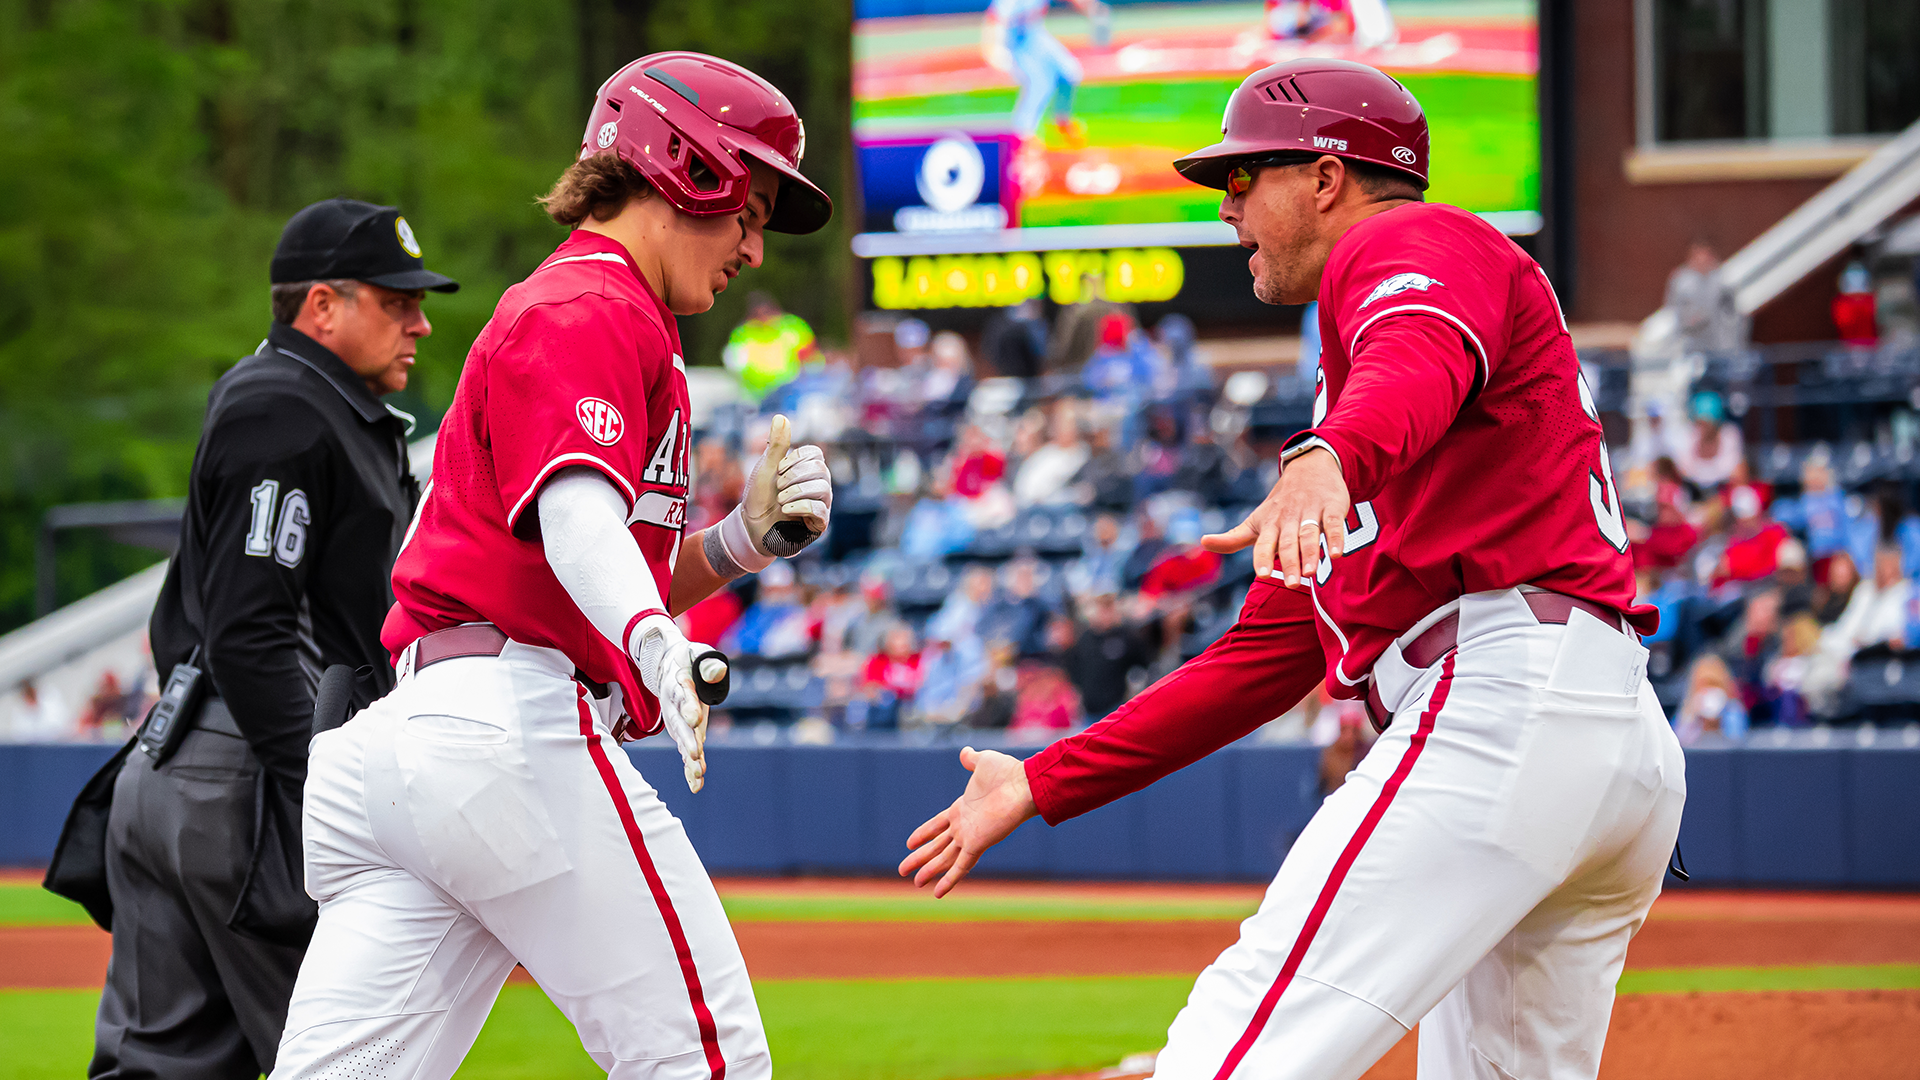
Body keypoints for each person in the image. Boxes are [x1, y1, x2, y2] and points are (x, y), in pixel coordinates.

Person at [898, 58, 1682, 1080]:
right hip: (1587, 731)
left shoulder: (1406, 240)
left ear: (1325, 176)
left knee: (1233, 1052)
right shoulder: (1361, 375)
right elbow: (1264, 655)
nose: (1226, 209)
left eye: (1240, 179)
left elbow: (1416, 347)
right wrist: (1042, 780)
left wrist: (1330, 457)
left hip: (1507, 702)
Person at [269, 53, 834, 1080]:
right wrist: (656, 642)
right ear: (680, 171)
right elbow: (578, 525)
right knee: (706, 1060)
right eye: (746, 208)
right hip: (506, 734)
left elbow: (572, 564)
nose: (755, 245)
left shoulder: (596, 309)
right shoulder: (593, 303)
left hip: (413, 748)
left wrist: (741, 547)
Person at [85, 198, 456, 1079]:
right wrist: (329, 798)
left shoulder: (301, 399)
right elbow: (253, 633)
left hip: (194, 760)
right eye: (395, 300)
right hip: (247, 781)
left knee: (161, 1069)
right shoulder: (286, 406)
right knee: (352, 1057)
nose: (421, 321)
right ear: (321, 306)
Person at [722, 291, 817, 401]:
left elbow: (810, 355)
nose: (765, 319)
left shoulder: (793, 326)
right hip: (755, 394)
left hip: (789, 390)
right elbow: (734, 363)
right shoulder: (743, 333)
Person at [1664, 239, 1748, 356]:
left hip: (1718, 344)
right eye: (1698, 256)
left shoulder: (1723, 280)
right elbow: (1673, 310)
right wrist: (1689, 320)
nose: (1702, 261)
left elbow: (1733, 314)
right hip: (1691, 344)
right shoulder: (1682, 281)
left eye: (1705, 256)